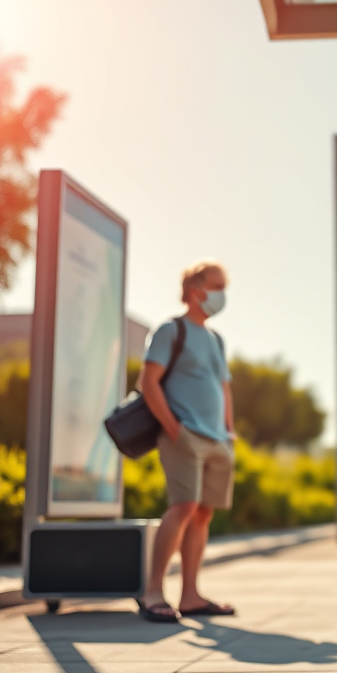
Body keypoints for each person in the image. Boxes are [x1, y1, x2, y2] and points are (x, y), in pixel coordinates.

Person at [136, 260, 237, 622]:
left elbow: (224, 389)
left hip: (216, 440)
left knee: (203, 512)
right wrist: (174, 428)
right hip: (184, 435)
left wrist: (229, 433)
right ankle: (152, 592)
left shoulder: (215, 339)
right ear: (196, 290)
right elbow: (148, 382)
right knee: (183, 506)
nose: (222, 294)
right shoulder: (170, 331)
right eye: (217, 286)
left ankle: (191, 595)